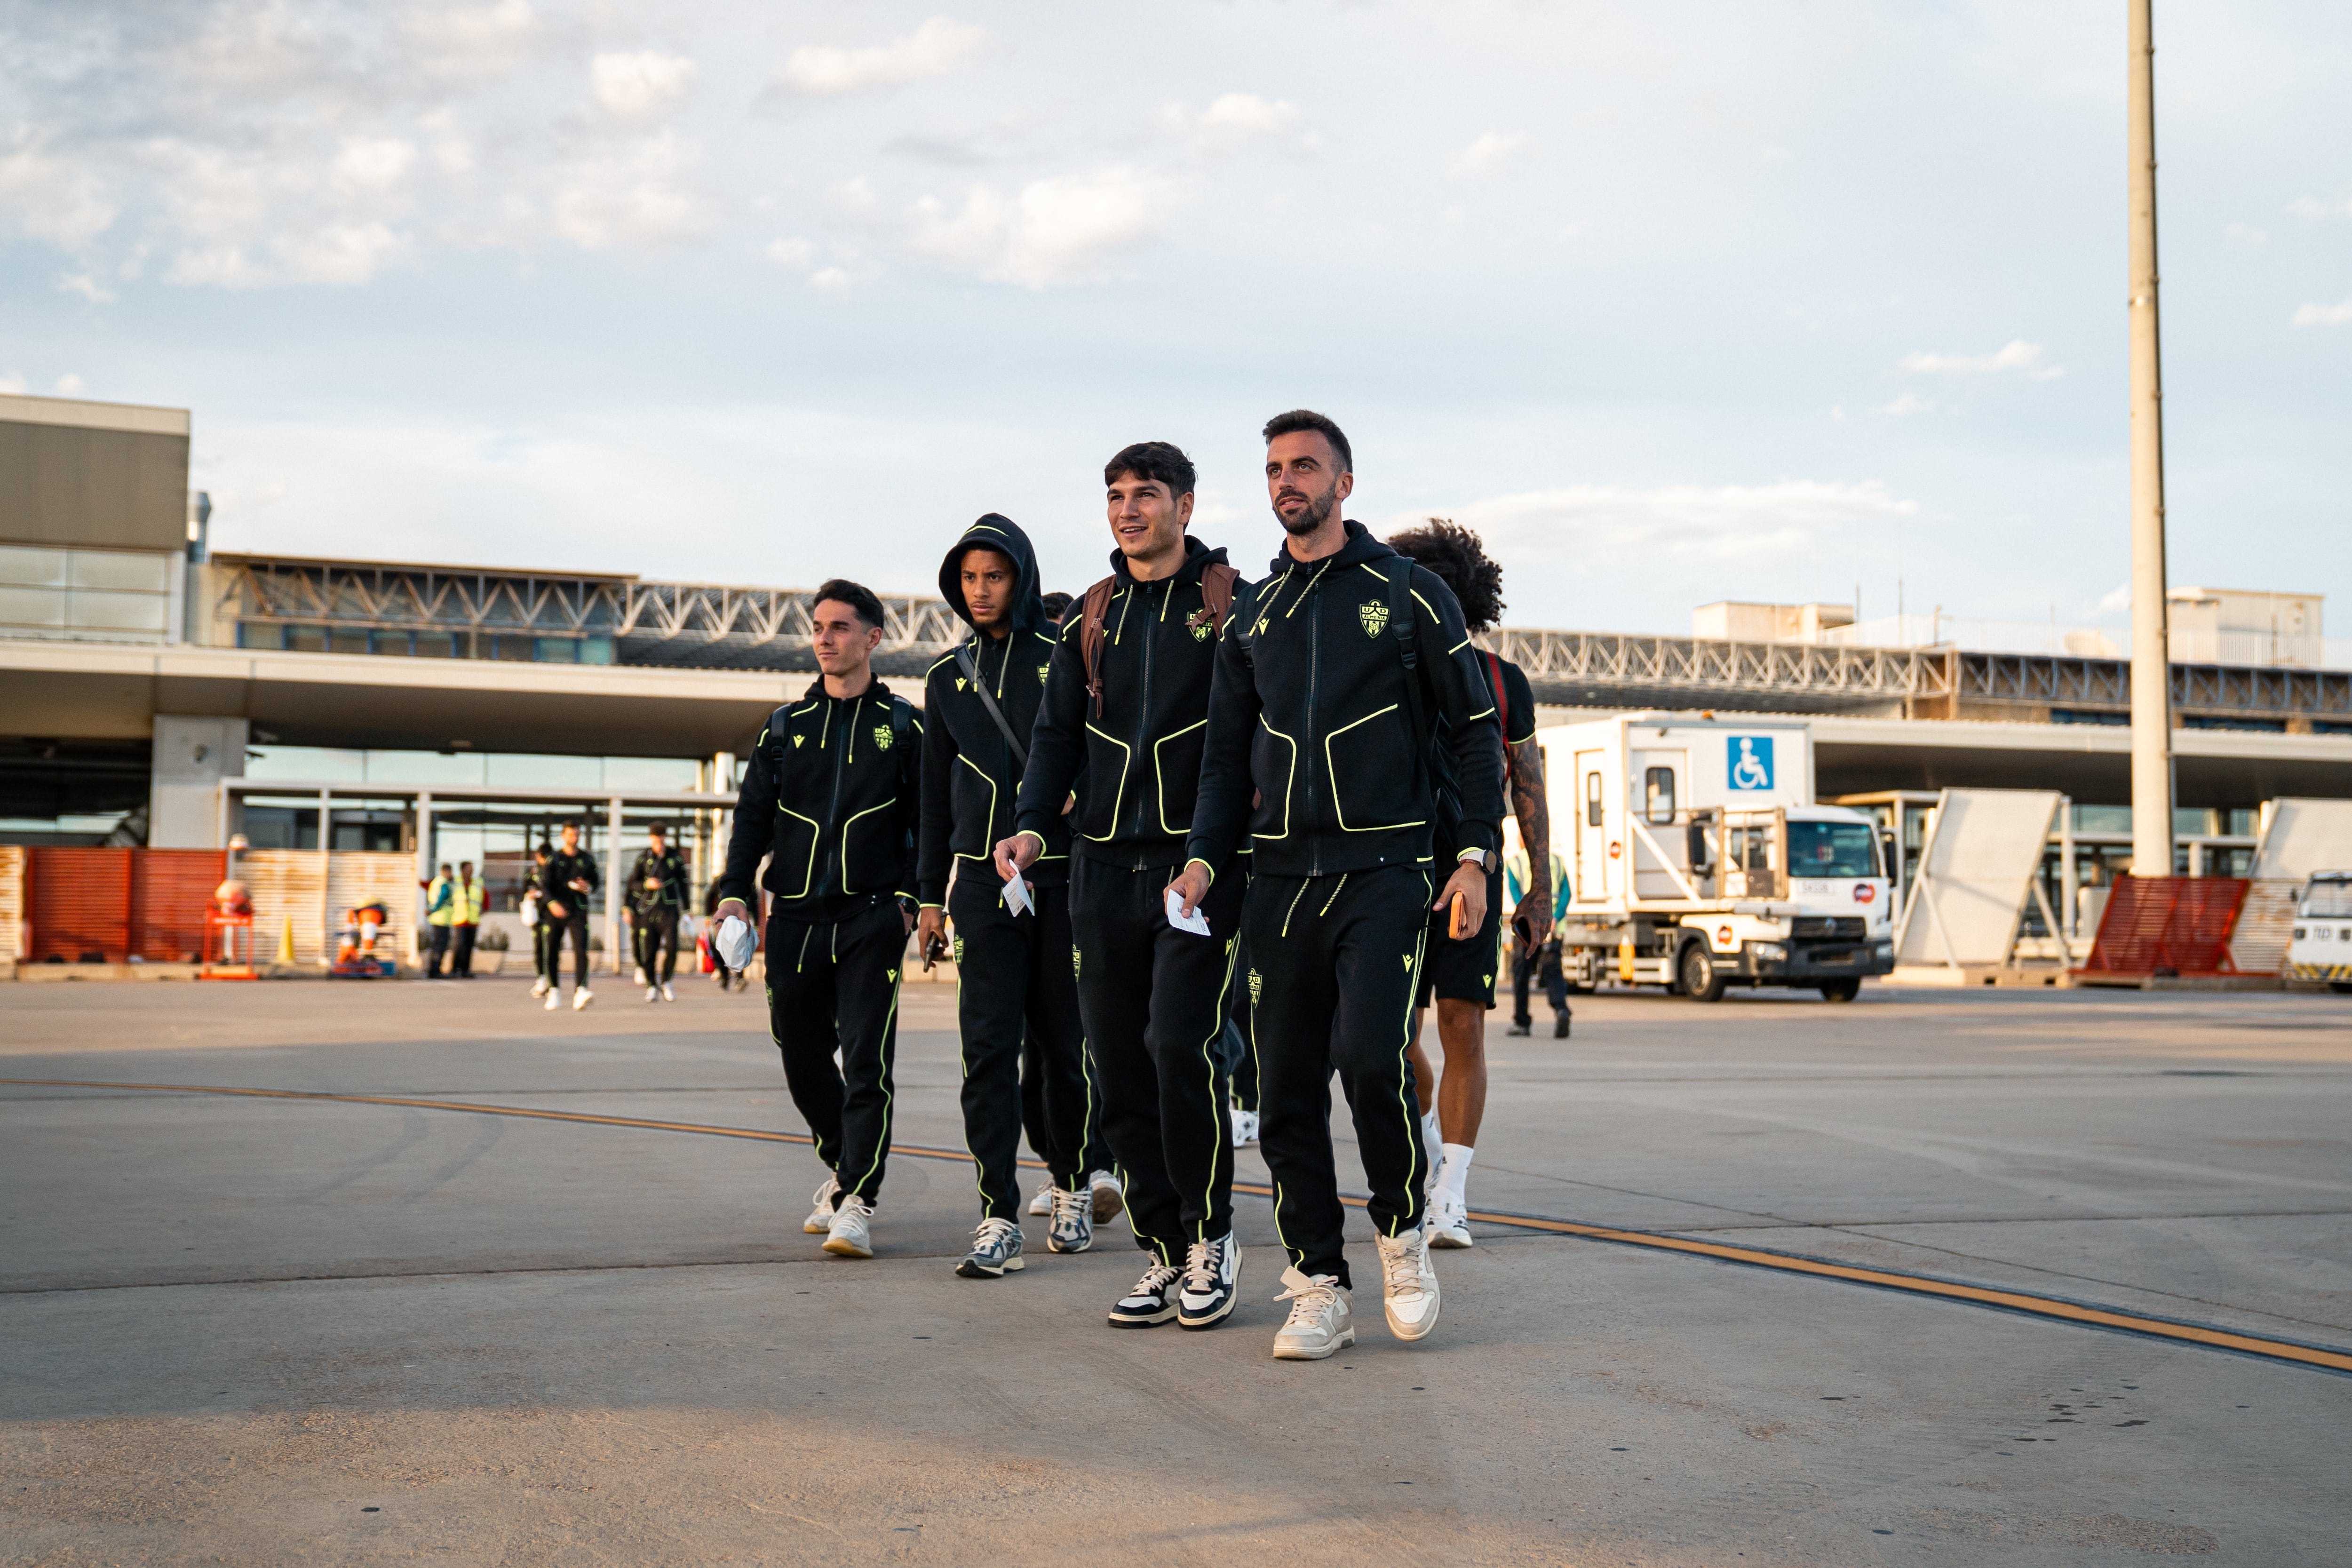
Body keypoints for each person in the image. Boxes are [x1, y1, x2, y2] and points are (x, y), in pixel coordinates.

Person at [1169, 409, 1503, 1361]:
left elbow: (1475, 732)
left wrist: (1474, 855)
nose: (1287, 481)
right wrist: (1201, 857)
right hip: (1278, 879)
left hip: (1387, 872)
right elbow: (1226, 760)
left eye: (1305, 465)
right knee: (1279, 1089)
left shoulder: (1409, 596)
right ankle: (1317, 1281)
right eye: (1275, 467)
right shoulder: (1258, 615)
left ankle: (1400, 1236)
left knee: (1369, 1058)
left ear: (1344, 484)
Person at [997, 440, 1249, 1330]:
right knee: (1119, 1066)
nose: (1129, 509)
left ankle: (1211, 1235)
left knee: (1180, 1047)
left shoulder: (1232, 607)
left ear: (1185, 502)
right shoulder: (1090, 617)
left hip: (1198, 875)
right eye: (1115, 495)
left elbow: (1249, 743)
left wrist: (1213, 855)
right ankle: (1160, 1246)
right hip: (1102, 868)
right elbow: (1055, 737)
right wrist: (1031, 827)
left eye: (1146, 493)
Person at [916, 515, 1107, 1278]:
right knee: (986, 1050)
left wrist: (1078, 795)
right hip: (979, 892)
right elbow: (934, 797)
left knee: (1065, 1050)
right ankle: (997, 1210)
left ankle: (1070, 1183)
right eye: (969, 577)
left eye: (994, 575)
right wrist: (929, 898)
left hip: (1060, 879)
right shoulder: (944, 677)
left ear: (1021, 578)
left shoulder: (1062, 657)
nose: (981, 590)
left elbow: (1101, 755)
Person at [714, 580, 923, 1261]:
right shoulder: (784, 730)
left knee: (867, 1062)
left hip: (871, 919)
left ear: (873, 638)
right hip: (796, 919)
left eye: (840, 627)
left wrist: (915, 901)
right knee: (801, 1056)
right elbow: (751, 821)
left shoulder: (906, 726)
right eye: (818, 627)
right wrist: (734, 893)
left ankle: (858, 1198)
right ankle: (841, 1166)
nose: (826, 638)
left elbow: (929, 822)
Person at [1388, 519, 1554, 1250]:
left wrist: (1540, 886)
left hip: (1472, 875)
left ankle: (1450, 1192)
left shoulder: (1500, 680)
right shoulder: (1382, 669)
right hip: (1386, 871)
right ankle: (1430, 1127)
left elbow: (1530, 788)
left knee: (1463, 1024)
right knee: (1386, 1037)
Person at [1505, 842, 1571, 1038]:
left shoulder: (1516, 862)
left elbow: (1516, 894)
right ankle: (1561, 1010)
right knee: (1553, 972)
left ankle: (1522, 1022)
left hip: (1527, 929)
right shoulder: (1556, 861)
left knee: (1522, 973)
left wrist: (1531, 917)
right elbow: (1567, 893)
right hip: (1552, 928)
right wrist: (1555, 917)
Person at [628, 824, 691, 1002]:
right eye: (655, 839)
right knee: (649, 950)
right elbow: (632, 884)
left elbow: (683, 884)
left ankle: (666, 982)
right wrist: (646, 886)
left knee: (672, 947)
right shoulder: (644, 858)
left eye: (662, 838)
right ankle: (651, 985)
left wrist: (687, 909)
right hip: (649, 909)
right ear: (651, 839)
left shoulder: (675, 857)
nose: (659, 842)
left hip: (669, 908)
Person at [542, 822, 600, 1011]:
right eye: (570, 835)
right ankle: (554, 991)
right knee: (551, 950)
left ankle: (581, 990)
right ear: (563, 836)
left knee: (581, 950)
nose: (574, 838)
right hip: (556, 911)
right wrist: (552, 904)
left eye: (576, 835)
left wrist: (588, 887)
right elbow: (544, 886)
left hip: (578, 910)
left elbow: (596, 883)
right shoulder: (554, 859)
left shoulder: (587, 859)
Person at [523, 843, 558, 999]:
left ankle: (551, 983)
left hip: (552, 916)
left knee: (551, 950)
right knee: (539, 948)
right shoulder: (533, 872)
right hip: (538, 915)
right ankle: (541, 980)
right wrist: (534, 894)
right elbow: (526, 888)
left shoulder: (556, 871)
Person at [703, 876, 746, 991]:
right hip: (720, 919)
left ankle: (739, 978)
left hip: (737, 919)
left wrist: (753, 918)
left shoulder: (745, 879)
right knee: (719, 948)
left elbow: (753, 899)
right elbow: (708, 898)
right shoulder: (719, 881)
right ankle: (724, 976)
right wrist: (707, 915)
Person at [451, 860, 485, 979]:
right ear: (463, 870)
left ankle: (466, 970)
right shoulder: (455, 882)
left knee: (469, 946)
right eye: (469, 868)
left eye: (472, 869)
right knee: (459, 946)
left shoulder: (478, 882)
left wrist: (484, 909)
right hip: (460, 919)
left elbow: (486, 897)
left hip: (473, 920)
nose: (472, 871)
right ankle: (455, 969)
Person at [421, 862, 455, 979]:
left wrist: (431, 909)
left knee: (436, 945)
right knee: (441, 946)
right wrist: (433, 909)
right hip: (442, 918)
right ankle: (436, 971)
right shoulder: (444, 883)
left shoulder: (435, 882)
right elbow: (443, 896)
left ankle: (433, 970)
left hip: (436, 919)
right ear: (447, 872)